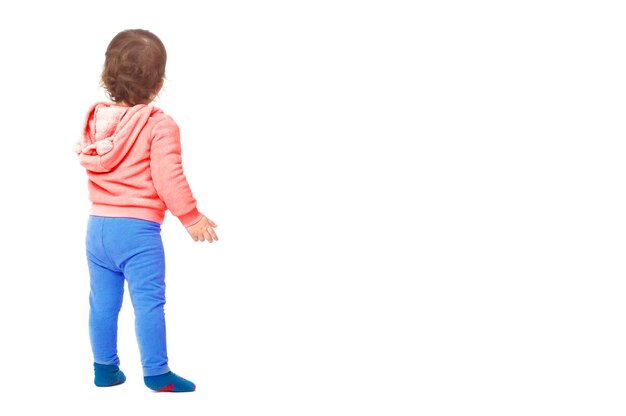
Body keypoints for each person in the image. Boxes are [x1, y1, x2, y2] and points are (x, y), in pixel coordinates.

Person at [74, 28, 218, 393]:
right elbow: (168, 177)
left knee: (102, 304)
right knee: (149, 304)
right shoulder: (158, 125)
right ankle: (157, 374)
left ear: (107, 77)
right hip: (136, 232)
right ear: (158, 84)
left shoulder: (97, 123)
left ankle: (105, 369)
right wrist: (191, 216)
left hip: (97, 227)